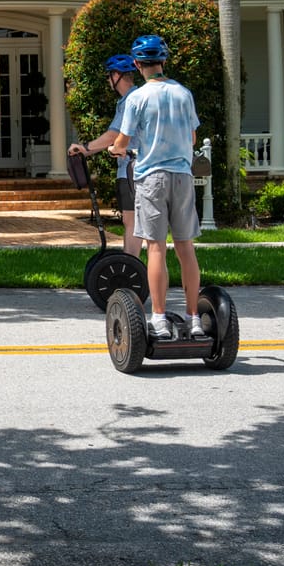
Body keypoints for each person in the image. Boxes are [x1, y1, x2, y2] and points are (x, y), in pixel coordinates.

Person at [109, 34, 203, 340]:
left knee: (156, 248)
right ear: (164, 60)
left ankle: (160, 319)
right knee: (186, 248)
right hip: (183, 177)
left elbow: (122, 141)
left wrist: (116, 150)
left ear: (137, 65)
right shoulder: (183, 93)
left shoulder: (137, 98)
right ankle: (194, 318)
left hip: (151, 178)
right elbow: (191, 139)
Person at [68, 54, 143, 258]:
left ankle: (131, 268)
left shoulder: (131, 101)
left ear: (117, 75)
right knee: (131, 221)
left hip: (131, 169)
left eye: (109, 76)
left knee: (133, 222)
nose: (108, 80)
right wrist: (87, 150)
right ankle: (130, 265)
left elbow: (113, 135)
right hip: (128, 168)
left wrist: (85, 148)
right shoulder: (127, 100)